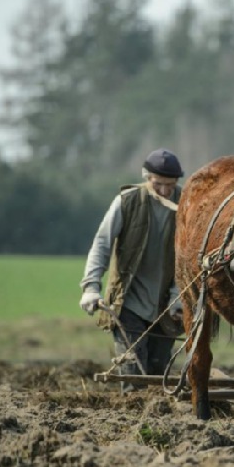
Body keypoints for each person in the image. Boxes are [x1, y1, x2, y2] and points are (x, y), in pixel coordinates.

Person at [79, 148, 185, 388]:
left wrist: (178, 297)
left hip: (166, 306)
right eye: (159, 184)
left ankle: (160, 422)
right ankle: (135, 422)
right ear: (147, 177)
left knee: (160, 372)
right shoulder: (127, 202)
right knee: (133, 372)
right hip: (129, 302)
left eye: (171, 184)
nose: (165, 191)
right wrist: (91, 286)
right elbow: (102, 244)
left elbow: (189, 257)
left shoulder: (187, 205)